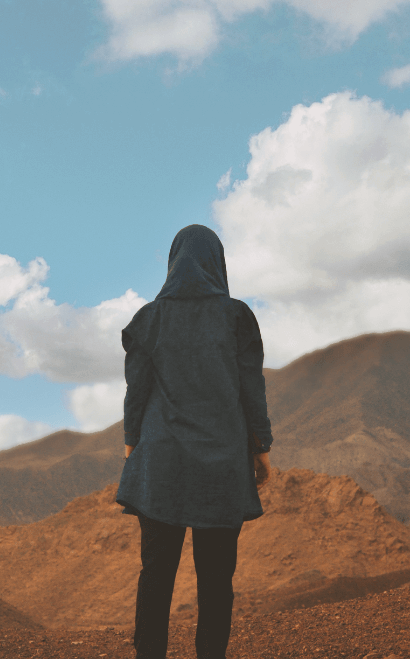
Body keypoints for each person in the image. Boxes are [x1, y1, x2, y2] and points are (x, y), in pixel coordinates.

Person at [116, 224, 273, 659]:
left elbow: (136, 390)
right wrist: (261, 447)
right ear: (217, 263)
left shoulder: (149, 319)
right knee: (216, 579)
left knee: (156, 573)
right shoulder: (236, 317)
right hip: (221, 465)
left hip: (161, 463)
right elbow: (251, 387)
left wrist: (131, 444)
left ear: (173, 262)